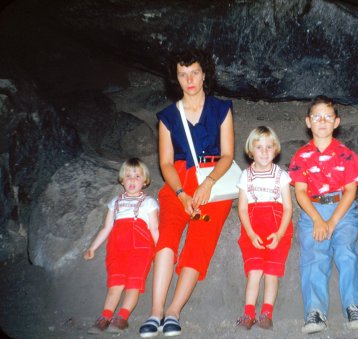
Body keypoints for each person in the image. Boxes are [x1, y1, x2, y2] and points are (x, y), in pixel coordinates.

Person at [139, 49, 235, 337]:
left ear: (205, 74)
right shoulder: (168, 116)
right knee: (167, 234)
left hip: (214, 180)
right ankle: (156, 311)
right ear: (176, 79)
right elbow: (165, 162)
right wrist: (180, 193)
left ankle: (173, 311)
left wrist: (208, 184)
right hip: (178, 181)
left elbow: (228, 154)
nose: (189, 79)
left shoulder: (221, 109)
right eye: (183, 74)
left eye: (194, 72)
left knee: (199, 240)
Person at [288, 95, 358, 334]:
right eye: (316, 117)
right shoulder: (301, 156)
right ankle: (314, 312)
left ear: (336, 122)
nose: (322, 121)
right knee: (314, 256)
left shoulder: (346, 154)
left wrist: (332, 221)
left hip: (342, 209)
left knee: (346, 251)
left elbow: (351, 190)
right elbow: (300, 192)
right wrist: (317, 220)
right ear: (308, 122)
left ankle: (355, 307)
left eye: (327, 117)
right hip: (312, 209)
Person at [84, 158, 159, 334]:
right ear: (122, 180)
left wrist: (160, 249)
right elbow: (107, 227)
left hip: (140, 249)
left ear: (145, 181)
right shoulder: (115, 202)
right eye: (128, 176)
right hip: (116, 249)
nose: (132, 180)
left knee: (133, 285)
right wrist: (93, 247)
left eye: (137, 176)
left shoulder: (149, 202)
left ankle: (122, 318)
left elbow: (154, 228)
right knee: (115, 284)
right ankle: (105, 316)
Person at [235, 126, 294, 331]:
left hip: (278, 229)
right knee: (254, 270)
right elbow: (242, 209)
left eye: (269, 147)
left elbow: (288, 208)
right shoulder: (245, 176)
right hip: (253, 229)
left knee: (271, 272)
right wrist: (250, 234)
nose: (264, 151)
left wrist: (279, 234)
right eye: (259, 147)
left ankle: (267, 313)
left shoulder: (282, 176)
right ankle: (248, 313)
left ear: (276, 149)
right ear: (250, 151)